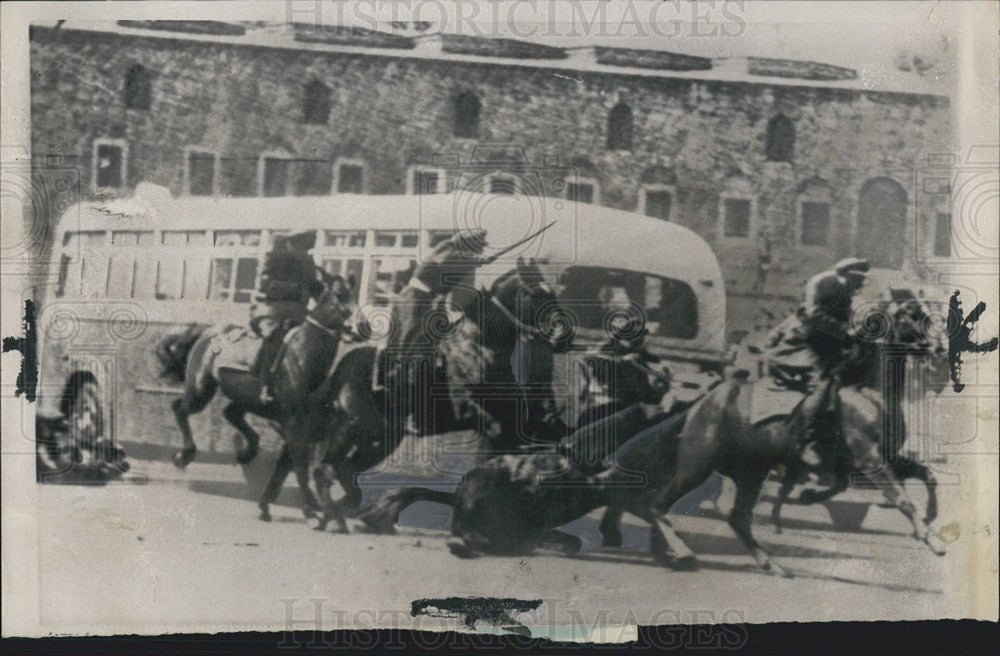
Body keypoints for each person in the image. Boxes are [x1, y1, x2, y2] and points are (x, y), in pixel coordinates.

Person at [764, 257, 870, 468]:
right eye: (859, 279)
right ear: (847, 275)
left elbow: (845, 320)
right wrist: (844, 334)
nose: (861, 285)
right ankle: (809, 441)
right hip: (805, 343)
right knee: (821, 384)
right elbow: (813, 314)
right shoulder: (825, 283)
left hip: (827, 346)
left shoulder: (846, 291)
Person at [383, 229, 487, 435]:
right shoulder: (447, 248)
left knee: (429, 353)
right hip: (415, 301)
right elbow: (446, 268)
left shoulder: (454, 253)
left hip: (422, 301)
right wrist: (474, 262)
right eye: (476, 246)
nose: (477, 250)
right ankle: (409, 414)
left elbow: (447, 277)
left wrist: (475, 262)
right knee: (415, 355)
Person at [250, 230, 326, 402]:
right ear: (296, 240)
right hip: (271, 309)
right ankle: (266, 386)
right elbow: (264, 285)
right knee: (276, 337)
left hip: (299, 311)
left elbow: (314, 287)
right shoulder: (274, 255)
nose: (312, 244)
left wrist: (326, 295)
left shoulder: (307, 260)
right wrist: (296, 289)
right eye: (309, 240)